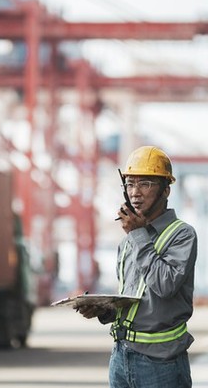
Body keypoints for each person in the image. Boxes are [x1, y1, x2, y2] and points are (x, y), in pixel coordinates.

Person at [78, 146, 198, 388]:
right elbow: (136, 302)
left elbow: (164, 285)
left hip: (160, 364)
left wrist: (138, 234)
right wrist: (103, 310)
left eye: (145, 184)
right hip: (122, 358)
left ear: (166, 190)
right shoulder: (129, 240)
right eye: (130, 184)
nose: (135, 193)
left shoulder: (182, 234)